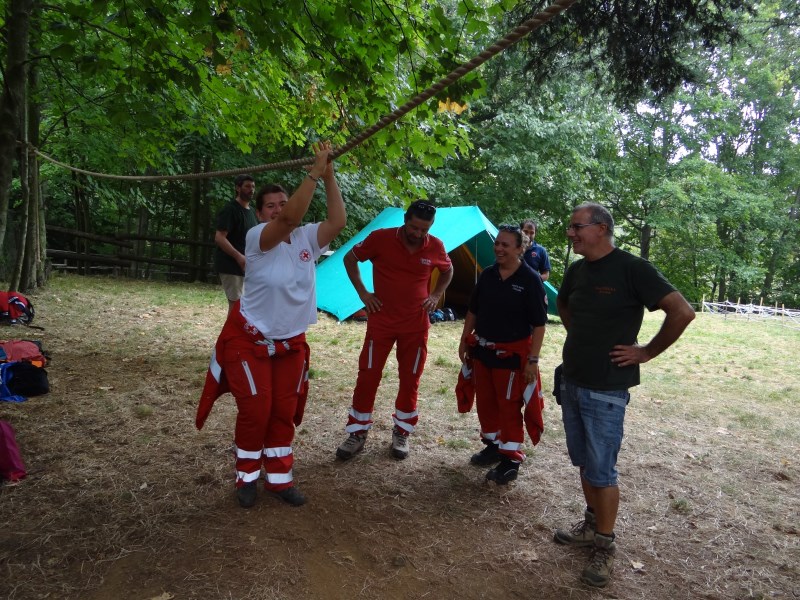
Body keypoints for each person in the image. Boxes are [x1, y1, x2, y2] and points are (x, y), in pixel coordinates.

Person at [553, 202, 695, 587]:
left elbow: (681, 311)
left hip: (607, 388)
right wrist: (582, 334)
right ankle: (590, 523)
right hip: (573, 379)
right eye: (571, 227)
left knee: (602, 469)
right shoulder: (577, 270)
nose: (571, 233)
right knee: (583, 461)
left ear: (601, 228)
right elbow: (563, 304)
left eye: (576, 227)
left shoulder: (633, 268)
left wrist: (646, 351)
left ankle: (604, 543)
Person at [197, 142, 345, 508]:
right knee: (256, 409)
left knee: (283, 411)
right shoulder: (256, 240)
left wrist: (328, 175)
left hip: (291, 343)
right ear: (261, 215)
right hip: (250, 341)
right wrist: (313, 172)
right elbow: (289, 220)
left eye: (283, 201)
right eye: (271, 206)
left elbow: (337, 221)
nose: (279, 209)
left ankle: (279, 479)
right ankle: (246, 476)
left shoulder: (308, 237)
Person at [336, 200, 454, 461]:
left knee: (410, 379)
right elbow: (349, 258)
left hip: (415, 324)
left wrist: (436, 295)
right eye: (414, 227)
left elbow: (448, 270)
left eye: (424, 229)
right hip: (381, 321)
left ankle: (402, 432)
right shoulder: (380, 238)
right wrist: (363, 294)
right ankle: (357, 432)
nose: (418, 234)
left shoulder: (435, 245)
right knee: (368, 376)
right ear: (405, 219)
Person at [458, 225, 548, 485]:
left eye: (505, 245)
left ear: (520, 249)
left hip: (511, 357)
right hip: (483, 352)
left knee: (508, 405)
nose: (498, 248)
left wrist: (533, 360)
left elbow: (540, 325)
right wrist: (465, 340)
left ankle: (511, 459)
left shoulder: (530, 280)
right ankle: (493, 445)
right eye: (497, 243)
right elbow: (473, 310)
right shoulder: (487, 275)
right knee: (486, 402)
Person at [214, 174, 259, 313]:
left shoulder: (252, 212)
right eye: (247, 186)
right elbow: (219, 237)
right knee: (236, 308)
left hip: (248, 266)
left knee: (246, 307)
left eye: (253, 186)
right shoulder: (230, 209)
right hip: (231, 265)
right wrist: (238, 256)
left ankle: (241, 335)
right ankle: (230, 335)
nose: (251, 189)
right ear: (237, 188)